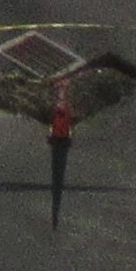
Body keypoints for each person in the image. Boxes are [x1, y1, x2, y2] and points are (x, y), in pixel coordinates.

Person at [43, 82, 78, 227]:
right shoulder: (59, 110)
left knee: (58, 171)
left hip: (61, 139)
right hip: (59, 138)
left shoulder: (65, 109)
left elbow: (67, 121)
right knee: (57, 171)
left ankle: (55, 216)